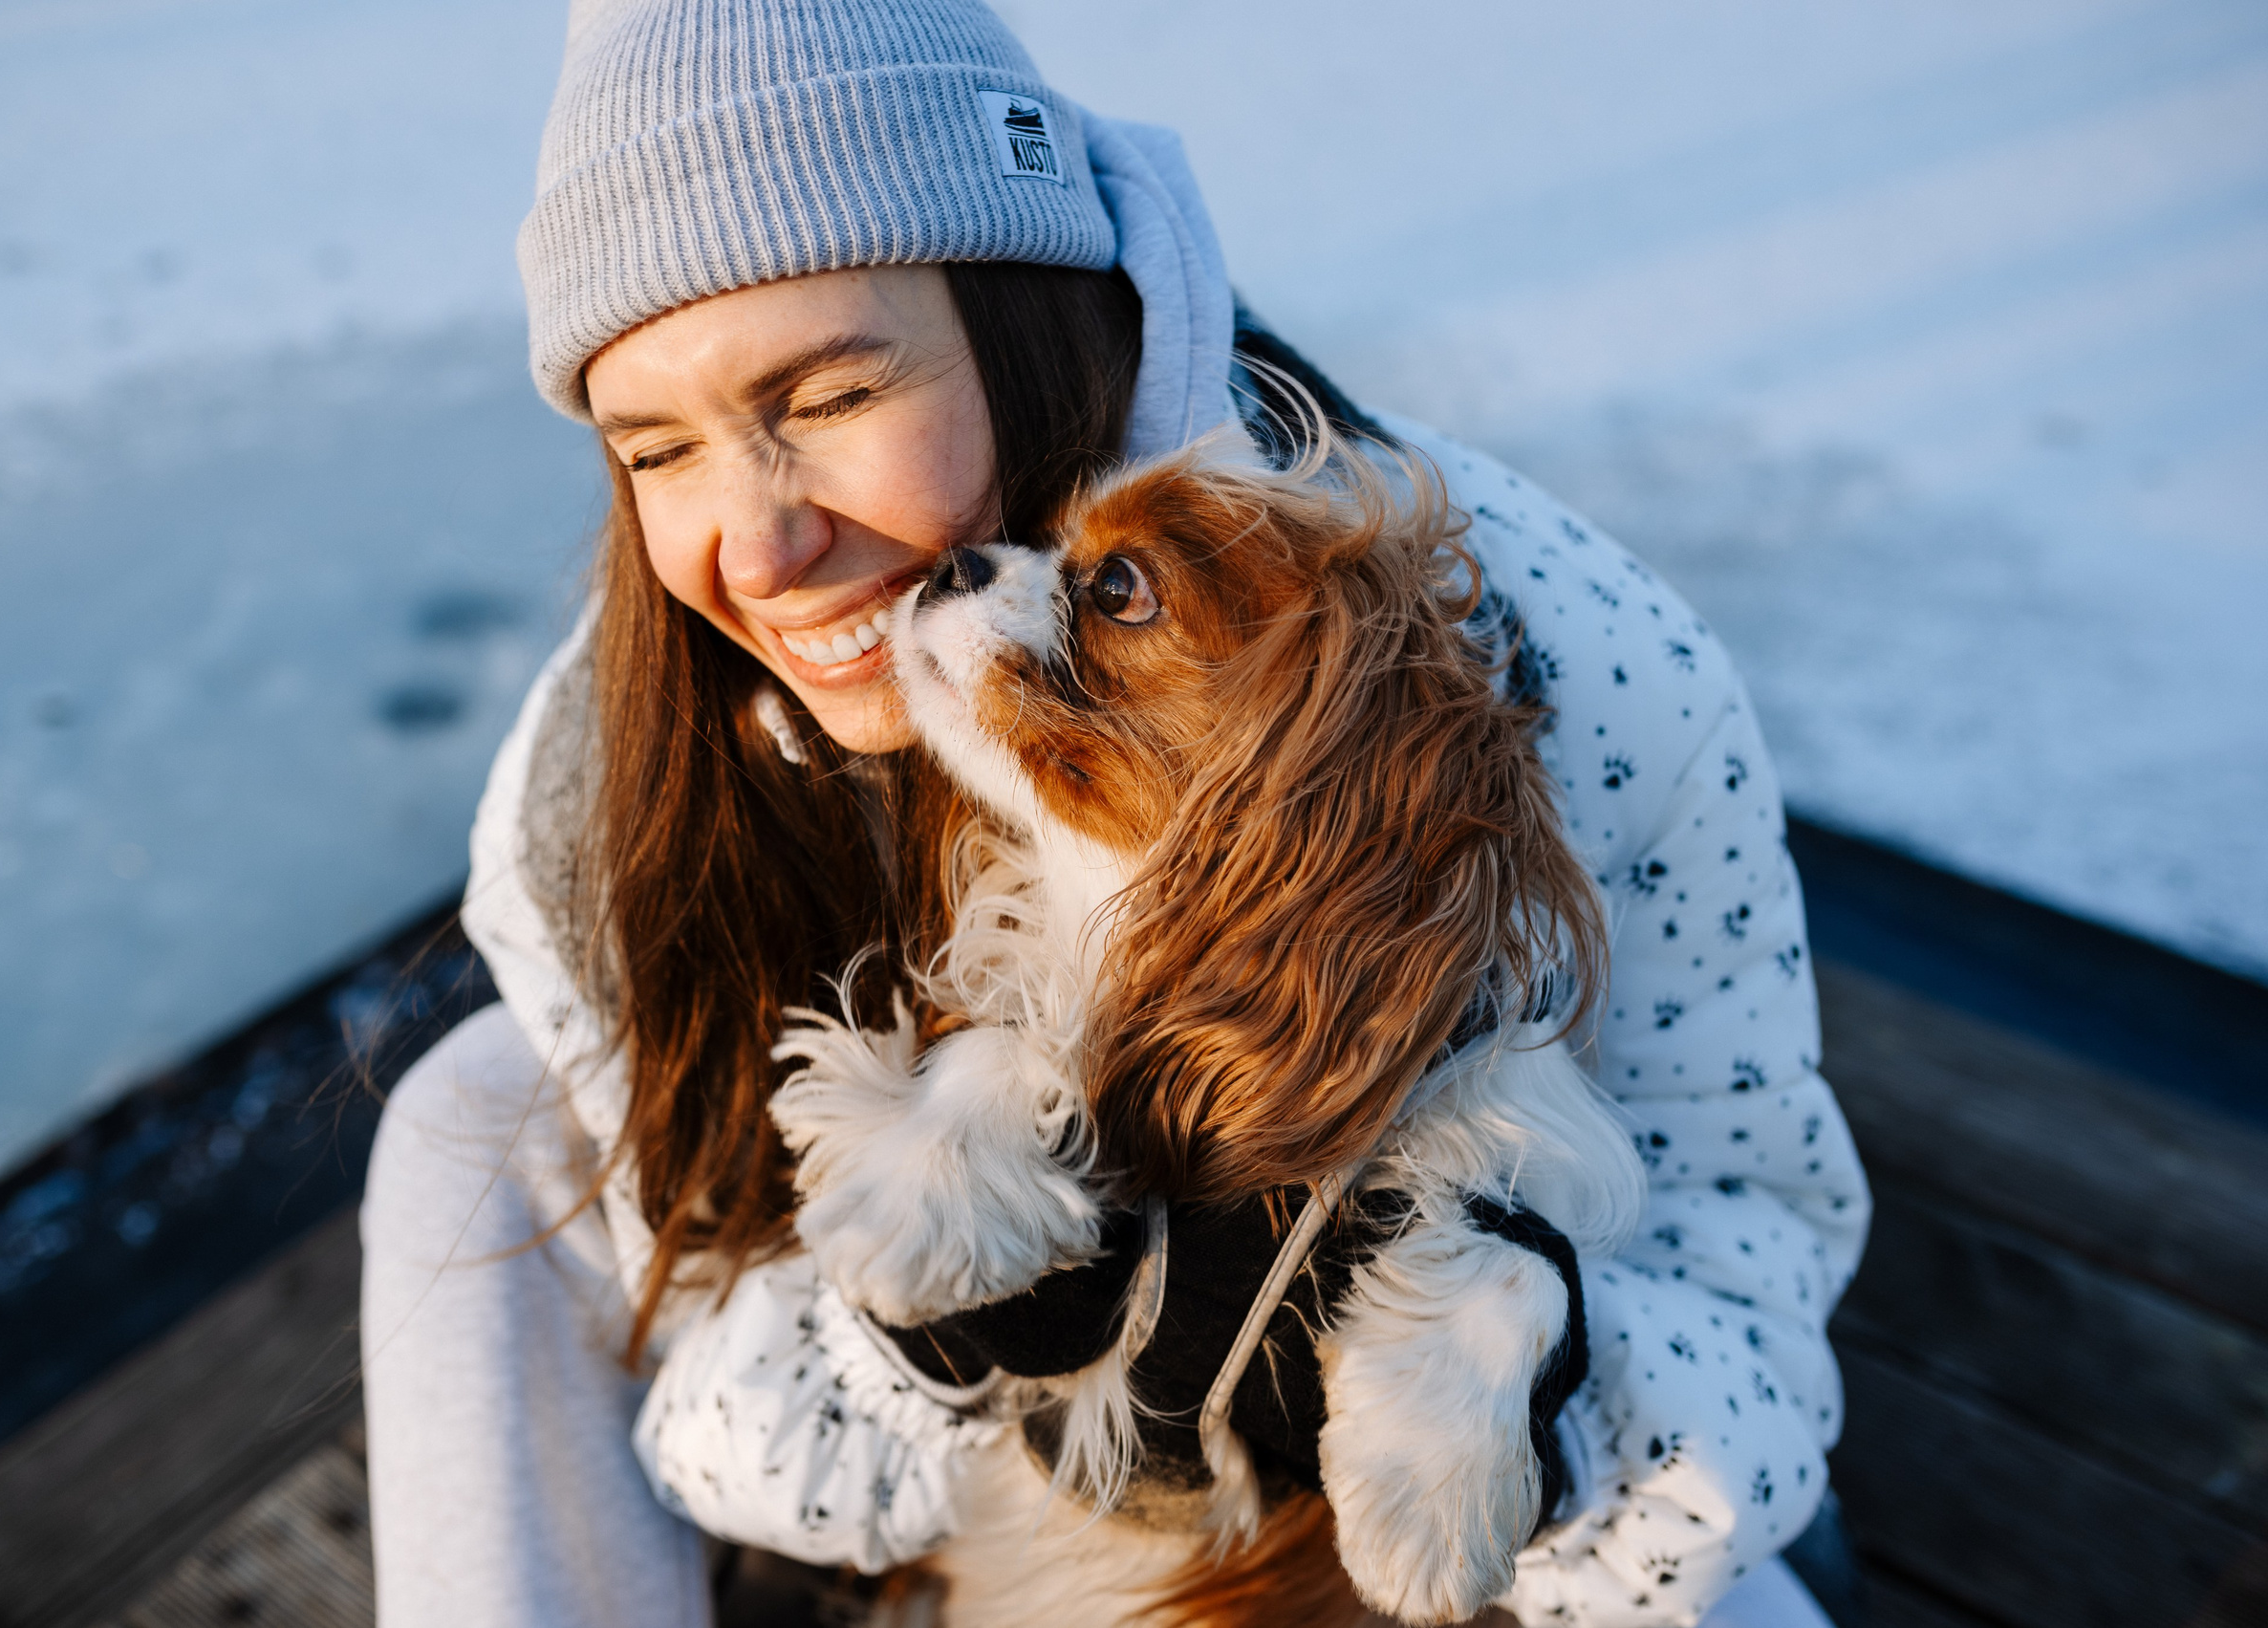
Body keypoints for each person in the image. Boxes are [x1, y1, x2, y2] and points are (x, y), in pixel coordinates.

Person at [356, 2, 1872, 1624]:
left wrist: (1520, 1390)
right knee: (469, 1113)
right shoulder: (606, 806)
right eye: (655, 449)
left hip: (1529, 1545)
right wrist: (954, 1338)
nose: (761, 545)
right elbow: (722, 1442)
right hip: (1019, 1539)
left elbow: (1753, 1344)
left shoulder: (1568, 662)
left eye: (827, 396)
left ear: (1025, 322)